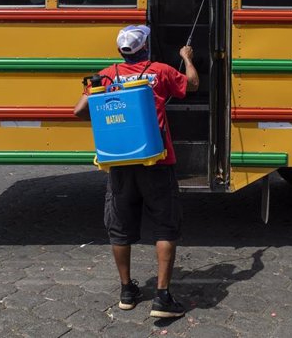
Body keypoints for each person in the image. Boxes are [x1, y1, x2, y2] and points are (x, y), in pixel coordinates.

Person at [74, 25, 199, 318]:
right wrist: (187, 57)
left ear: (121, 51)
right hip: (157, 161)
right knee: (165, 226)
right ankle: (162, 298)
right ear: (145, 48)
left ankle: (127, 291)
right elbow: (192, 84)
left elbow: (79, 110)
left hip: (119, 163)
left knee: (119, 228)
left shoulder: (104, 75)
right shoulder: (161, 71)